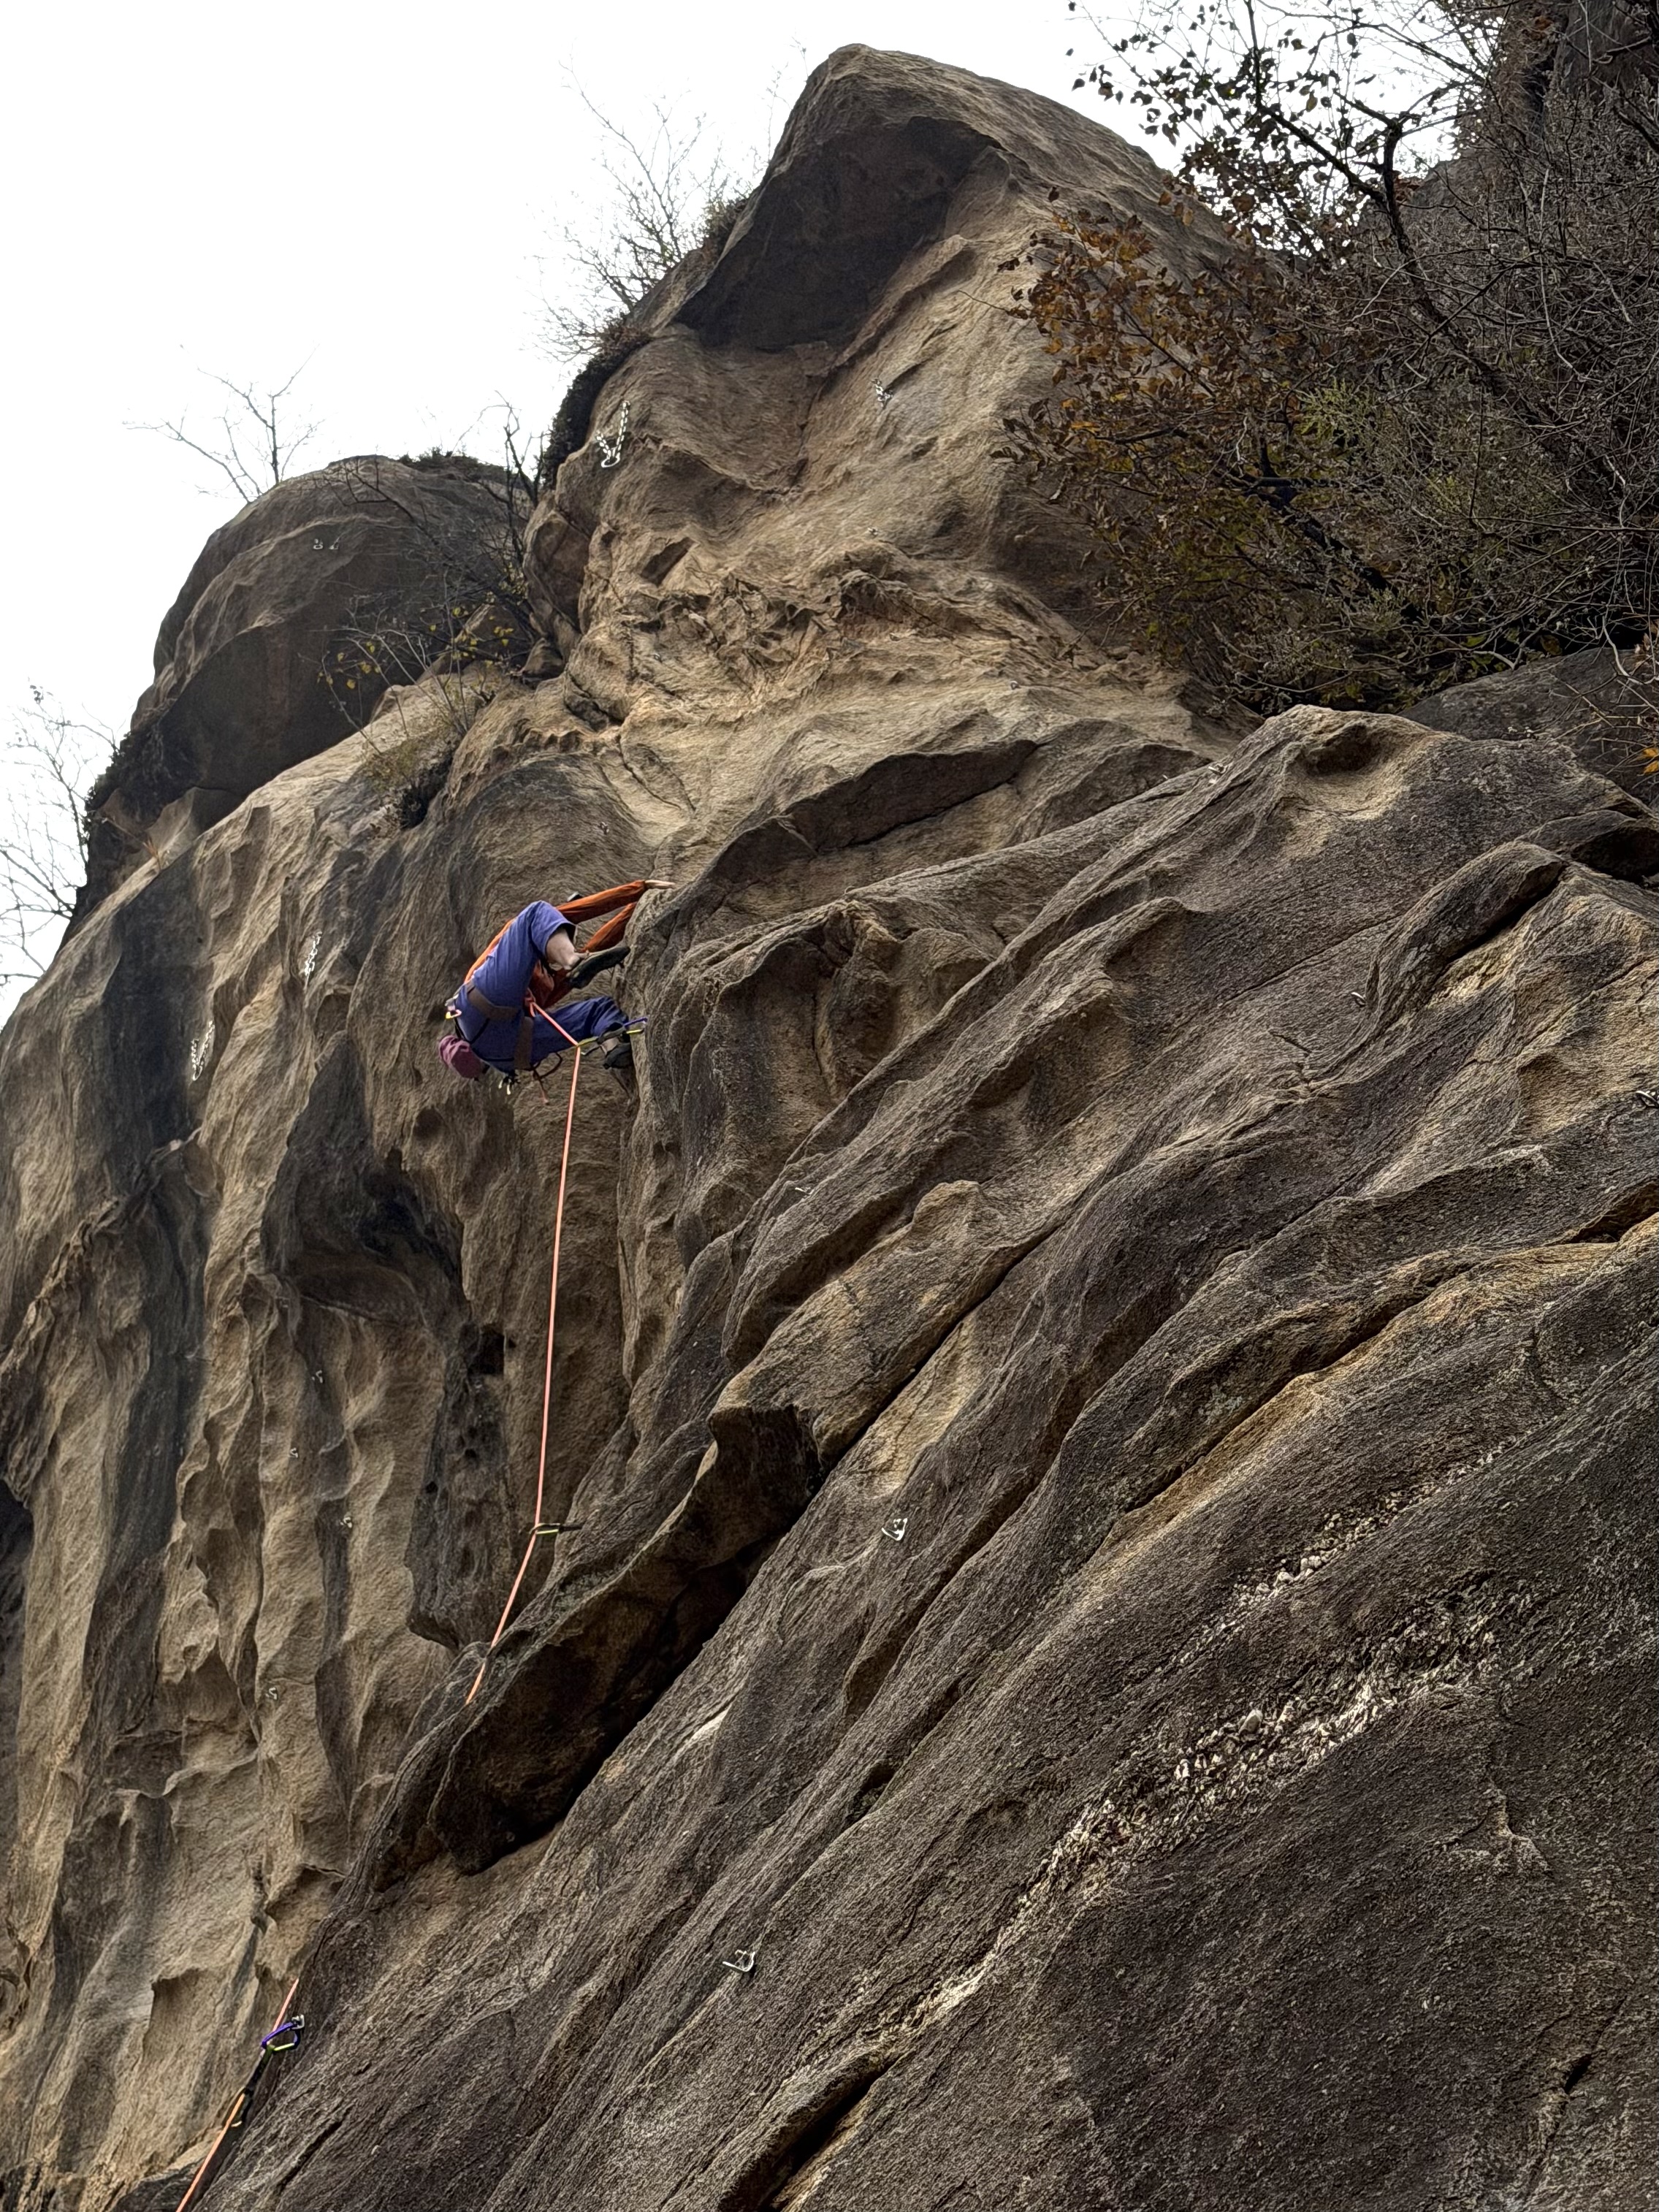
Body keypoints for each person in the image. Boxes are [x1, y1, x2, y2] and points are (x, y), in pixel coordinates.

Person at [441, 885, 659, 1085]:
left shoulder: (536, 980)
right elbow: (579, 912)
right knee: (535, 913)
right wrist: (639, 890)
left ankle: (613, 1042)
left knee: (597, 1012)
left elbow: (591, 954)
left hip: (511, 1055)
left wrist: (633, 909)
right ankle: (571, 960)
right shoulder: (536, 937)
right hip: (478, 1007)